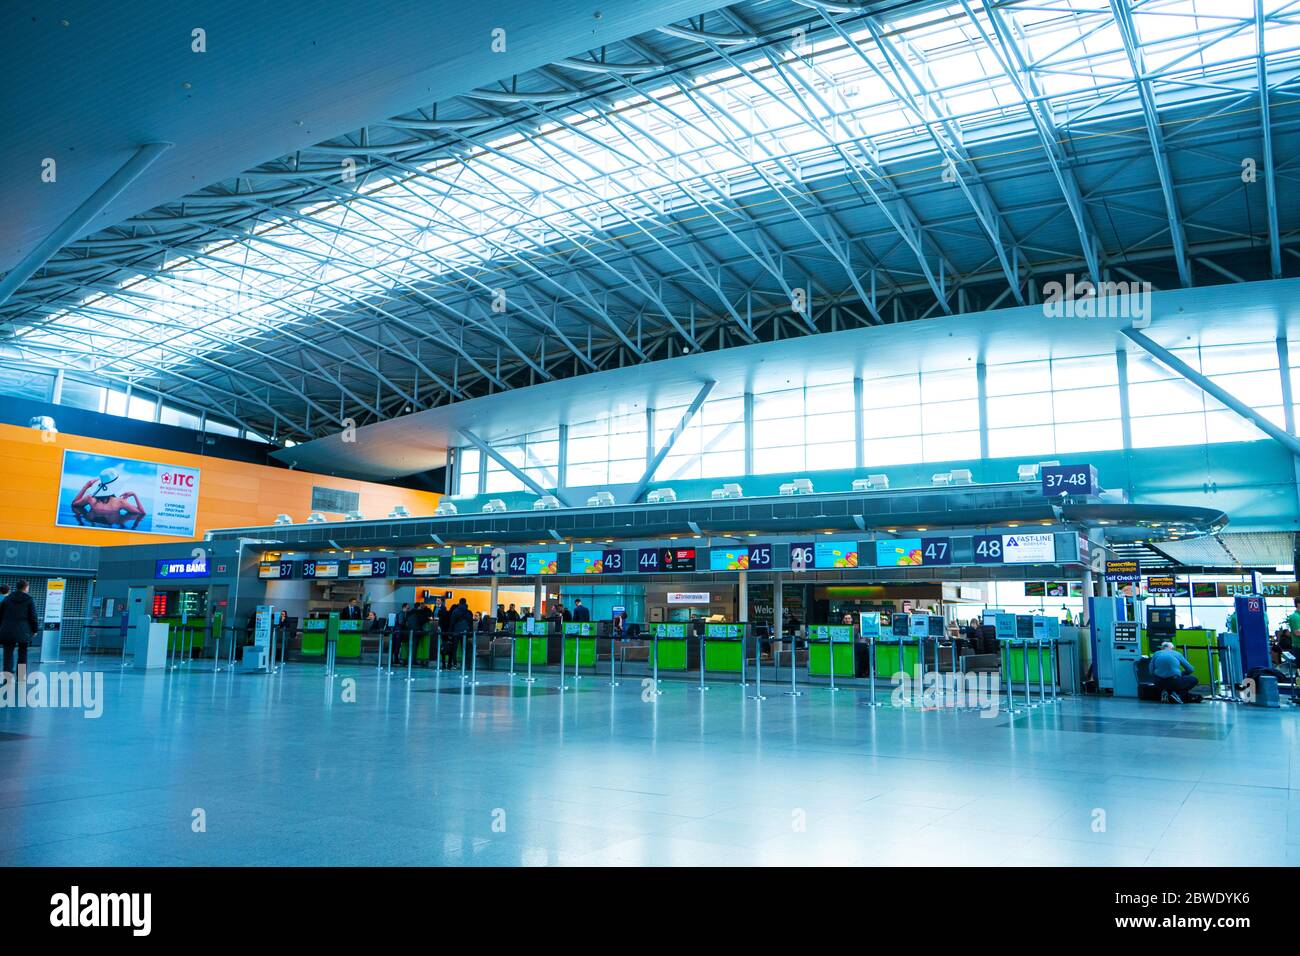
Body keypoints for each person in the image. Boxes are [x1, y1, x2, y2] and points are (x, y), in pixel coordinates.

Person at [0, 580, 39, 678]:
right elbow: (33, 616)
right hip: (24, 630)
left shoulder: (7, 599)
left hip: (7, 630)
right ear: (26, 587)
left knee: (7, 653)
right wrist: (35, 630)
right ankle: (21, 676)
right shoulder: (29, 599)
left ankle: (7, 676)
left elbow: (0, 615)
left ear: (17, 587)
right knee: (23, 653)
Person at [445, 598, 472, 668]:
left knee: (455, 648)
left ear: (459, 602)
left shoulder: (455, 611)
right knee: (464, 648)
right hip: (465, 631)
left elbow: (452, 622)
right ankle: (465, 664)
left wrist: (450, 632)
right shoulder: (469, 612)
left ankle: (455, 664)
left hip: (456, 631)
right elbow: (470, 623)